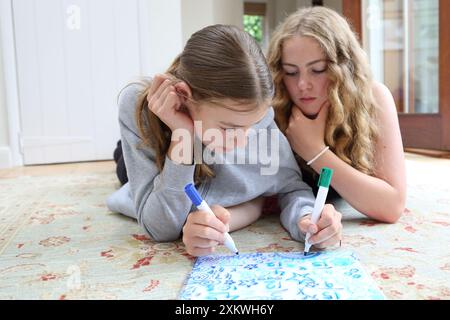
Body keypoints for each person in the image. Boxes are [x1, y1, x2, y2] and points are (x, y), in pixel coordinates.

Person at [106, 24, 343, 256]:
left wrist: (308, 220)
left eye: (253, 125)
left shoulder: (256, 117)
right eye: (229, 128)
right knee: (124, 169)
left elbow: (290, 186)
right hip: (160, 152)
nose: (242, 141)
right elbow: (160, 227)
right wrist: (183, 136)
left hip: (212, 170)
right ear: (184, 96)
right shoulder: (138, 106)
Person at [267, 6, 406, 223]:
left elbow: (392, 206)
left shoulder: (373, 97)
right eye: (291, 72)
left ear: (344, 68)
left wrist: (314, 151)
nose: (303, 84)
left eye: (318, 69)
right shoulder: (272, 104)